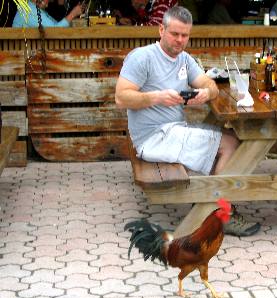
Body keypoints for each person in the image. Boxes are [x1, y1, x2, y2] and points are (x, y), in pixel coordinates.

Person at [115, 6, 261, 236]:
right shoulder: (142, 57)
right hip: (153, 138)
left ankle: (209, 204)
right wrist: (157, 97)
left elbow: (209, 84)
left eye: (185, 35)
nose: (180, 40)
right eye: (175, 34)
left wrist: (206, 93)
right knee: (231, 145)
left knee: (230, 141)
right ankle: (220, 215)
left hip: (173, 130)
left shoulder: (184, 59)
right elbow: (121, 98)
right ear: (161, 30)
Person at [12, 0, 84, 27]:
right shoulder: (29, 11)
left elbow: (55, 24)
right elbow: (54, 32)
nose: (47, 5)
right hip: (23, 57)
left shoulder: (31, 7)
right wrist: (73, 14)